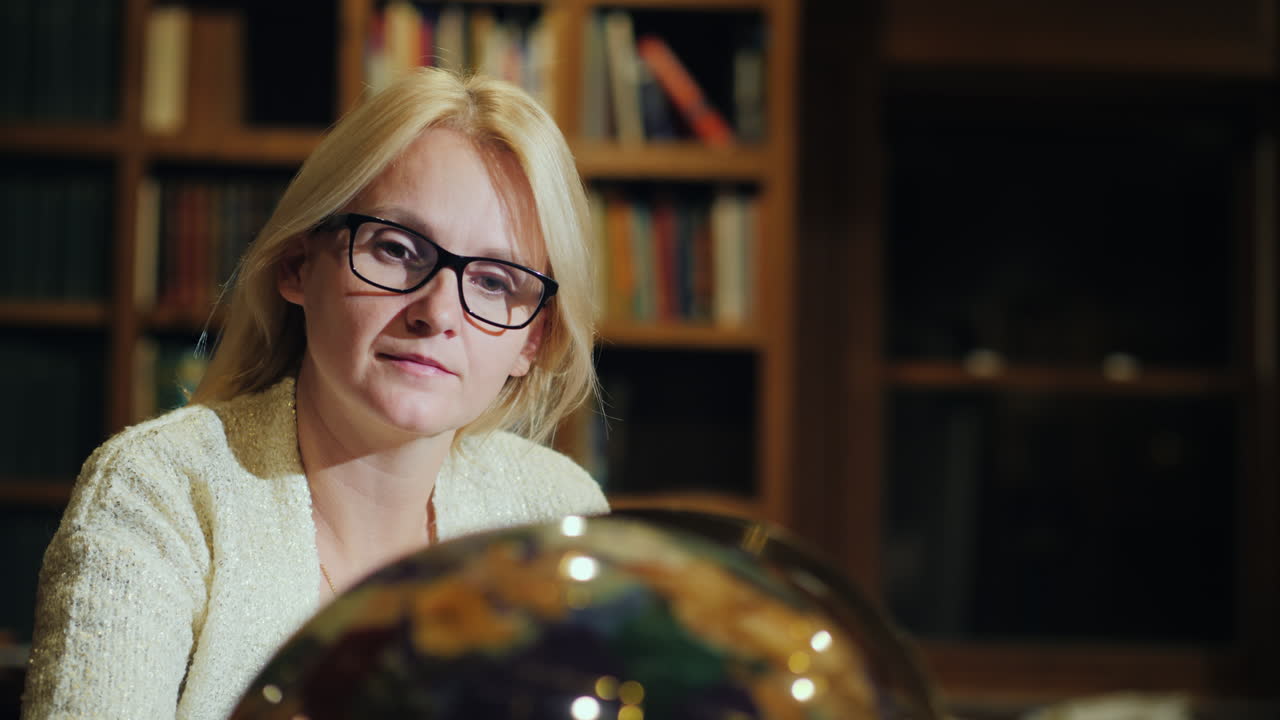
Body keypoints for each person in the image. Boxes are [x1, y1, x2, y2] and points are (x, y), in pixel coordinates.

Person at [22, 68, 609, 719]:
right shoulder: (159, 490)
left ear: (533, 339)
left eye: (497, 281)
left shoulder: (560, 515)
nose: (438, 311)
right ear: (298, 266)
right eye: (396, 248)